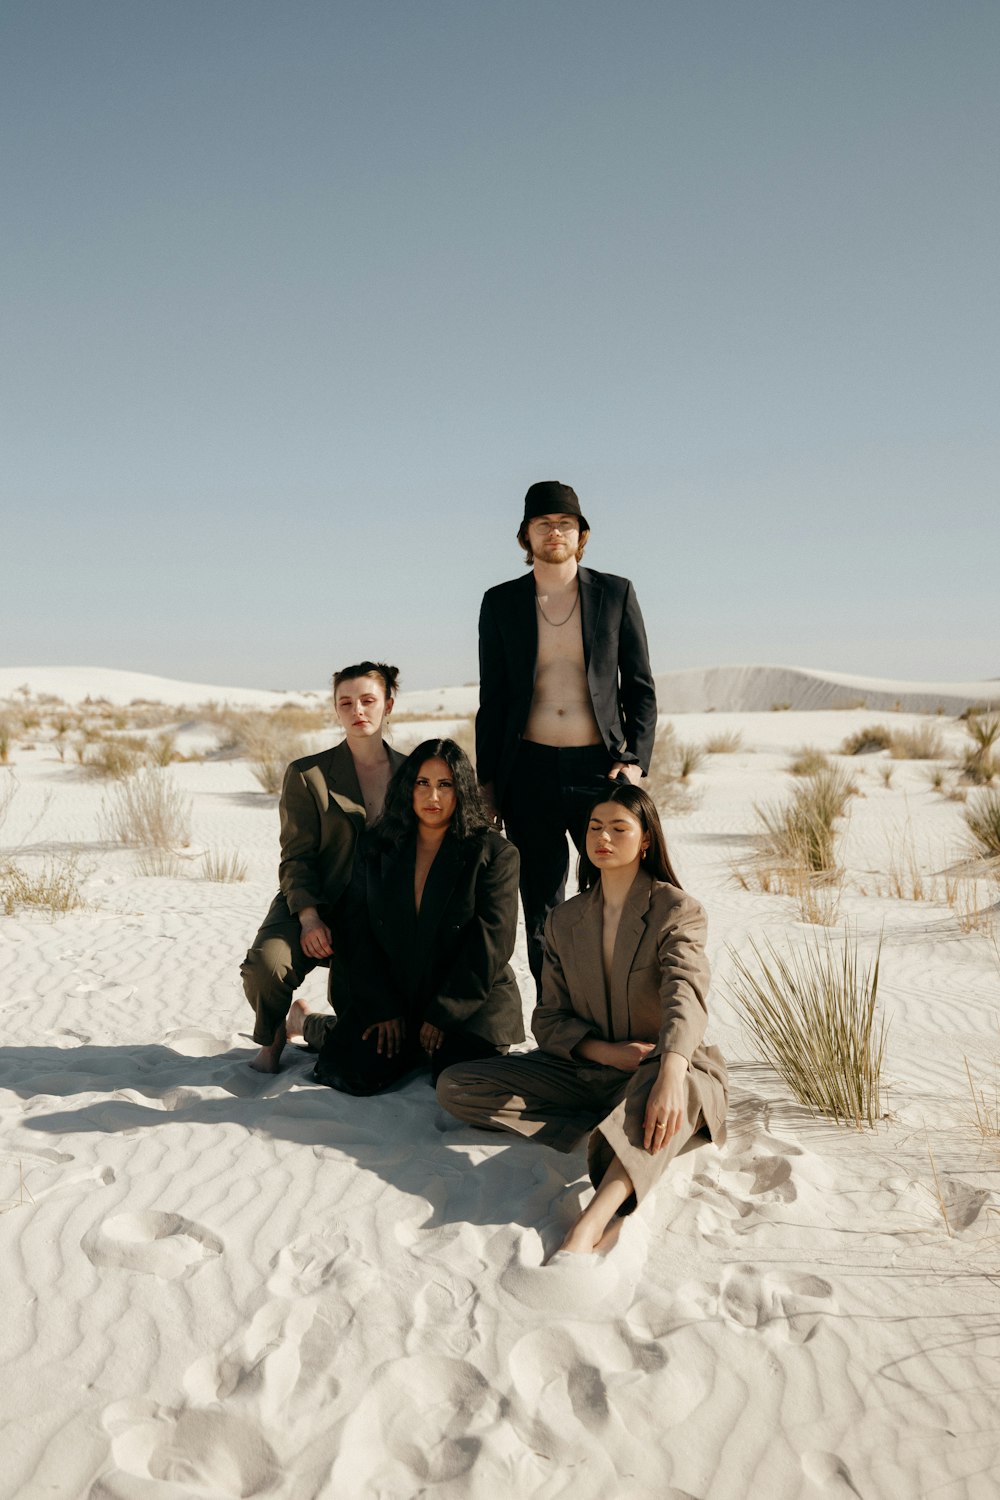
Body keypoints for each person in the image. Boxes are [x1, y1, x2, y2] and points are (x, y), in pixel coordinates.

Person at [436, 784, 727, 1256]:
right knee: (456, 1086)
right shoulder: (562, 920)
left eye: (618, 828)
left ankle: (594, 1218)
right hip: (585, 1070)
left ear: (646, 839)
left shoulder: (677, 909)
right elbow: (549, 1019)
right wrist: (605, 1052)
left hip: (659, 1070)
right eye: (594, 827)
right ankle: (613, 1130)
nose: (603, 838)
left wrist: (671, 1068)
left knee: (684, 1084)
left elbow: (685, 993)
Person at [476, 479, 657, 991]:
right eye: (543, 524)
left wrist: (636, 761)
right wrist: (487, 782)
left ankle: (612, 1006)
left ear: (581, 534)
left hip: (598, 769)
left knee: (612, 891)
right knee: (540, 899)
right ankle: (554, 1013)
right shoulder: (501, 601)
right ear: (525, 536)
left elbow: (640, 688)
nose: (554, 532)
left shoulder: (615, 593)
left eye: (565, 524)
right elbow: (493, 701)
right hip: (527, 768)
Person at [292, 738, 525, 1094]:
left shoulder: (495, 854)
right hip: (395, 1000)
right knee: (349, 1072)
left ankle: (421, 1048)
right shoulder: (376, 847)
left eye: (445, 785)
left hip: (468, 1003)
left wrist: (443, 1014)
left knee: (459, 1081)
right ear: (408, 787)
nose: (433, 797)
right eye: (423, 783)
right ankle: (309, 1024)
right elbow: (358, 932)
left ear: (461, 790)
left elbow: (490, 945)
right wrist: (382, 1007)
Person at [241, 661, 406, 1073]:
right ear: (336, 709)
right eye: (346, 702)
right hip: (313, 900)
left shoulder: (413, 775)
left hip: (376, 920)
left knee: (371, 1039)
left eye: (368, 700)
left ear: (388, 704)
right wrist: (310, 918)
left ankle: (306, 1023)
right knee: (267, 966)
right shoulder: (307, 774)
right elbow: (295, 857)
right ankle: (274, 1038)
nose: (358, 711)